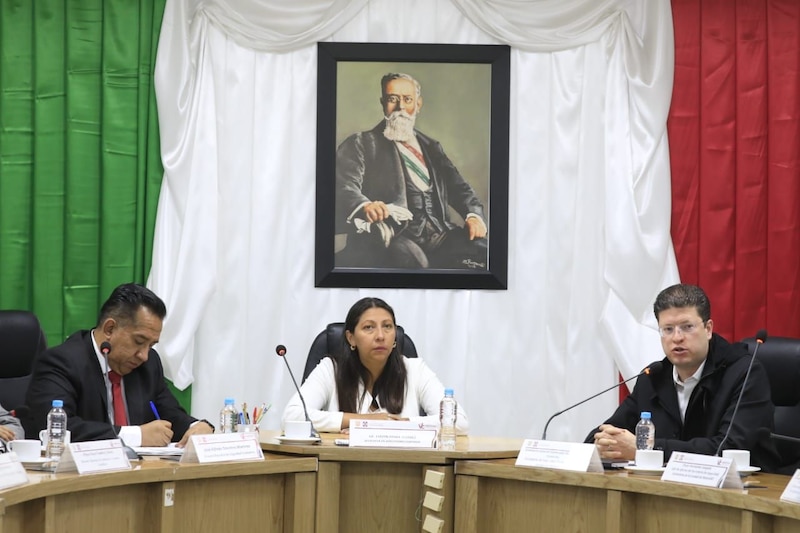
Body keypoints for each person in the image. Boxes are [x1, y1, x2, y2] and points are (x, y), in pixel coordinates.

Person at [587, 283, 780, 472]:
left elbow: (728, 449)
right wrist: (601, 443)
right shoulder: (653, 377)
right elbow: (611, 428)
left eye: (687, 327)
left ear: (708, 329)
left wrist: (644, 449)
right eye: (668, 329)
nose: (677, 337)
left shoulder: (744, 373)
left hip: (745, 491)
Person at [23, 283, 214, 446]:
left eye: (151, 345)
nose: (144, 355)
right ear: (110, 328)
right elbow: (57, 430)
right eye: (139, 342)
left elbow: (170, 414)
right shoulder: (61, 363)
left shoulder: (148, 365)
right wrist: (136, 436)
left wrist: (196, 427)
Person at [335, 72, 488, 269]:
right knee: (415, 264)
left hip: (440, 236)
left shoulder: (432, 147)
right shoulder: (361, 143)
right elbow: (344, 187)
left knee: (485, 254)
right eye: (392, 99)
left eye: (407, 100)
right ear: (383, 103)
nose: (400, 108)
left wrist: (473, 216)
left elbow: (461, 189)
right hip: (392, 235)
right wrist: (365, 206)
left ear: (418, 105)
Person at [282, 297, 469, 433]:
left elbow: (459, 421)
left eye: (387, 326)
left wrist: (401, 424)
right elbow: (292, 417)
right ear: (351, 338)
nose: (380, 336)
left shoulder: (415, 369)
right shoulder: (331, 369)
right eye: (368, 327)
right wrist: (363, 421)